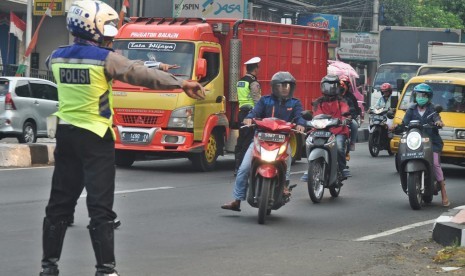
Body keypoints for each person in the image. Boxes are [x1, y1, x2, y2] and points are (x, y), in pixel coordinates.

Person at [39, 1, 205, 276]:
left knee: (59, 204)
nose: (107, 34)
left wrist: (153, 64)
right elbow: (136, 72)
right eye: (104, 28)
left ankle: (48, 267)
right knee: (100, 206)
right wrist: (180, 82)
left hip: (66, 135)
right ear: (92, 27)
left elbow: (130, 64)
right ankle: (105, 270)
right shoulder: (105, 59)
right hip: (96, 136)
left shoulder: (55, 56)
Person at [221, 71, 306, 212]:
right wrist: (249, 117)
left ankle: (284, 185)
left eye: (288, 85)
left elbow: (299, 117)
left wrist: (301, 123)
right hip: (260, 140)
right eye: (281, 85)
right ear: (274, 87)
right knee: (243, 169)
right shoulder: (265, 100)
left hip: (282, 141)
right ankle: (237, 200)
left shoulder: (295, 103)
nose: (285, 88)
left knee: (288, 161)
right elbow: (254, 112)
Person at [401, 83, 450, 207]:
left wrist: (438, 123)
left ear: (428, 97)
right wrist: (395, 127)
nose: (420, 97)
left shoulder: (432, 109)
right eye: (418, 95)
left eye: (423, 95)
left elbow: (436, 118)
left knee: (436, 164)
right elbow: (404, 123)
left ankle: (444, 192)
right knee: (400, 154)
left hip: (432, 141)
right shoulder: (411, 109)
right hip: (415, 141)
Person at [301, 75, 351, 182]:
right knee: (309, 143)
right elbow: (316, 114)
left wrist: (344, 119)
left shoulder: (341, 101)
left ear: (337, 87)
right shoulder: (318, 102)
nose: (330, 89)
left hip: (338, 130)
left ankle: (342, 168)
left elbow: (345, 111)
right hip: (320, 130)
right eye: (327, 86)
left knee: (339, 147)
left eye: (332, 86)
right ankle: (310, 167)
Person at [234, 57, 261, 175]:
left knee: (241, 140)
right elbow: (257, 100)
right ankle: (243, 167)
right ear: (255, 69)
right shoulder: (253, 83)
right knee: (249, 141)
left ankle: (237, 166)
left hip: (241, 113)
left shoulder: (240, 81)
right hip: (250, 114)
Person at [339, 75, 361, 152]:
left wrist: (350, 115)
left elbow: (353, 107)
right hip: (336, 118)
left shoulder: (350, 97)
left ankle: (352, 143)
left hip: (347, 117)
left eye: (343, 85)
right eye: (340, 85)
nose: (342, 87)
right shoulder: (333, 96)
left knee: (354, 125)